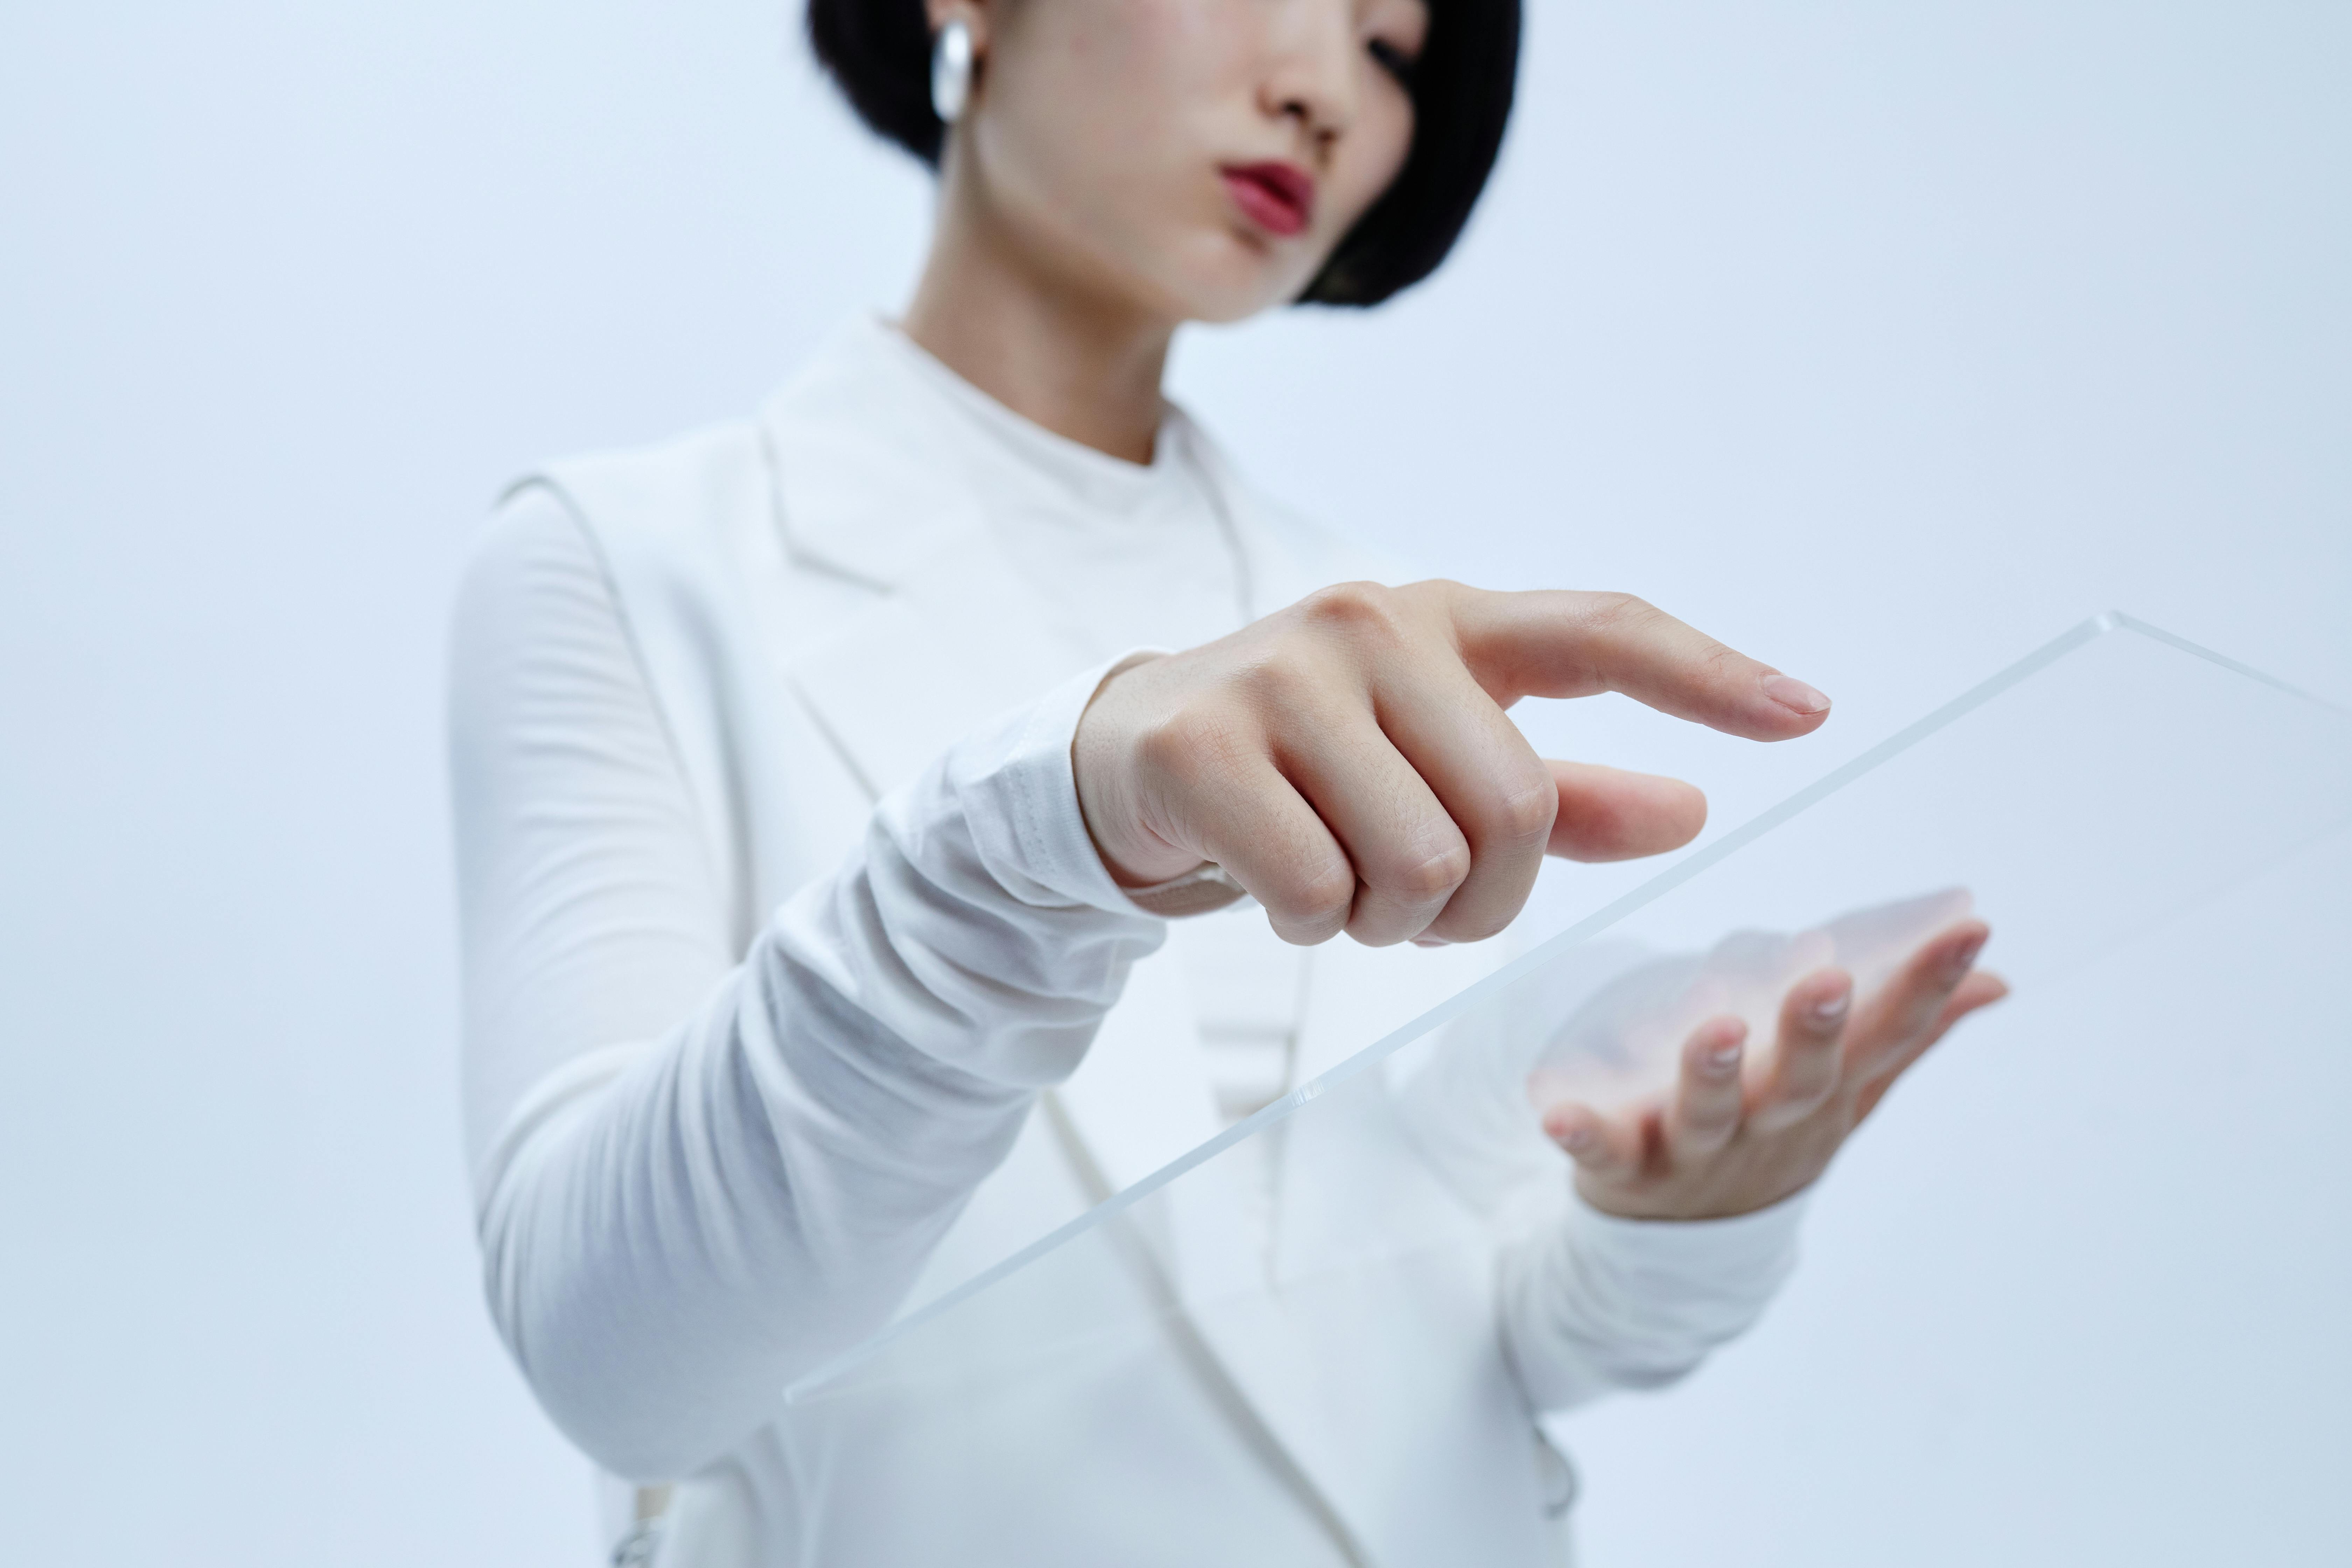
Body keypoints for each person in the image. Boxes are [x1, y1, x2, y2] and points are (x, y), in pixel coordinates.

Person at [447, 0, 2007, 1561]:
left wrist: (1679, 1216)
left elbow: (1427, 1345)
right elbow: (618, 1363)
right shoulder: (628, 564)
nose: (1326, 91)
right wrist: (1038, 834)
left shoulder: (1381, 621)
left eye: (1394, 56)